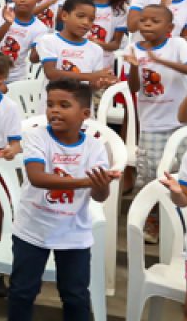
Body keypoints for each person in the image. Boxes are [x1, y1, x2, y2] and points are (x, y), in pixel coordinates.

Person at [7, 80, 114, 321]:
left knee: (75, 294)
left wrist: (100, 184)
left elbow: (100, 196)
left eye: (64, 105)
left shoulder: (95, 147)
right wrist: (85, 182)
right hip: (32, 229)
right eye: (50, 104)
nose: (54, 110)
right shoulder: (36, 137)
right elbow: (37, 177)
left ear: (85, 114)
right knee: (22, 291)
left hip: (74, 232)